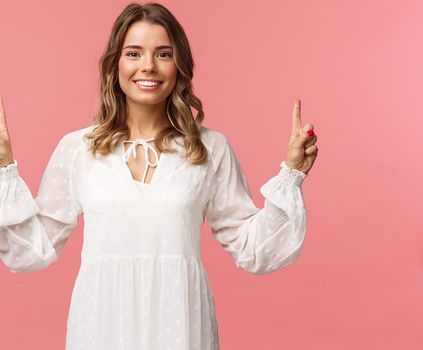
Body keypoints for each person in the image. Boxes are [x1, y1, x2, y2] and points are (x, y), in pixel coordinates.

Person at [0, 2, 319, 349]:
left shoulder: (210, 148)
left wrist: (291, 174)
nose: (148, 66)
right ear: (115, 64)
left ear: (179, 64)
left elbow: (254, 249)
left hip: (180, 326)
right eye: (134, 53)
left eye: (163, 53)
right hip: (101, 326)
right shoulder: (79, 148)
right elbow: (31, 250)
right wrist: (4, 167)